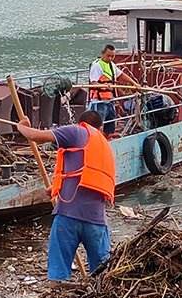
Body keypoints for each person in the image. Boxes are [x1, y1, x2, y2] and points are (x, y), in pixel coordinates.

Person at [15, 110, 116, 284]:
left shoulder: (77, 131)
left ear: (81, 122)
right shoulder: (104, 147)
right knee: (102, 276)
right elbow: (87, 176)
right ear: (100, 128)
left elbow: (36, 136)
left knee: (58, 275)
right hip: (97, 221)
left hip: (69, 217)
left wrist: (21, 127)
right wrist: (56, 187)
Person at [88, 44, 140, 136]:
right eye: (108, 56)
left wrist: (134, 83)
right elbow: (93, 83)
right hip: (99, 101)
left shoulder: (112, 65)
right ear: (102, 54)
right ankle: (97, 139)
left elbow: (121, 75)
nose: (111, 58)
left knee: (110, 123)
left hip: (110, 100)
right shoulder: (97, 66)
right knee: (98, 123)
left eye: (113, 56)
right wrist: (102, 86)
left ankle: (107, 138)